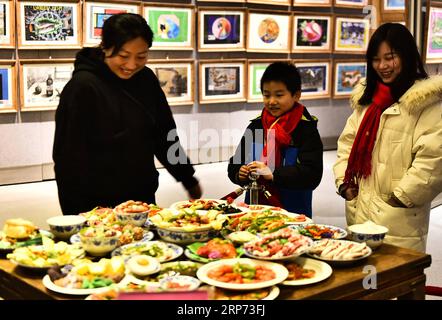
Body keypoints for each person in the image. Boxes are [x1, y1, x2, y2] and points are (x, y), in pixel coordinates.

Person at [53, 13, 202, 215]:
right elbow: (67, 160)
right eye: (123, 56)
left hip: (142, 198)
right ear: (105, 47)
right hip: (96, 206)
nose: (131, 65)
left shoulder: (146, 79)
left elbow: (164, 134)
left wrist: (187, 177)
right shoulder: (82, 87)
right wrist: (75, 216)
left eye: (141, 56)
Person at [333, 23, 442, 252]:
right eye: (375, 59)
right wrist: (345, 183)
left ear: (406, 55)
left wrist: (400, 198)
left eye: (390, 57)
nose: (382, 66)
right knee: (365, 278)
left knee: (397, 282)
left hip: (399, 219)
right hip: (359, 209)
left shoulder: (427, 103)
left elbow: (433, 162)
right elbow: (346, 145)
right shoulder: (368, 100)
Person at [227, 62, 323, 217]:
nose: (271, 101)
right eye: (266, 95)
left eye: (279, 95)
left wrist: (273, 173)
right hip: (254, 211)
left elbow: (312, 175)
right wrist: (239, 173)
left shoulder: (305, 129)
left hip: (293, 213)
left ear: (296, 95)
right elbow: (235, 163)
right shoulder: (256, 126)